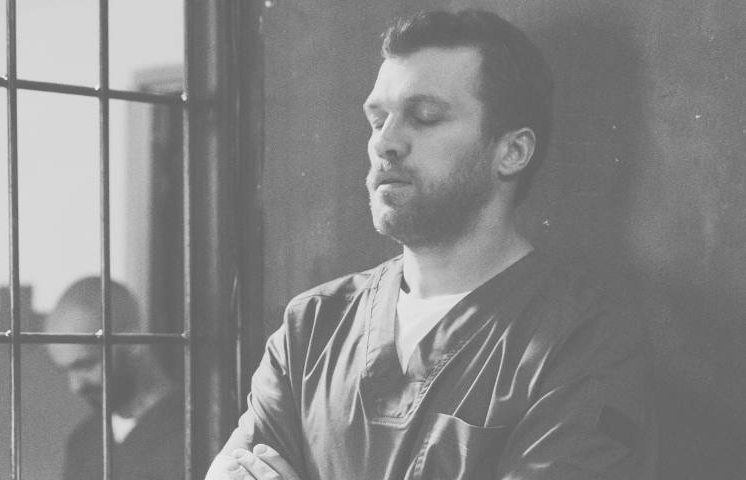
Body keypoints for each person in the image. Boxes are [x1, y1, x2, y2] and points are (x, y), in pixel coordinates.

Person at [208, 9, 656, 480]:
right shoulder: (312, 328)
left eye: (424, 118)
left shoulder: (583, 344)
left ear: (511, 152)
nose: (385, 143)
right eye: (377, 120)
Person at [45, 277, 183, 480]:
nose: (75, 386)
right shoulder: (85, 444)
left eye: (86, 365)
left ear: (133, 342)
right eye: (66, 371)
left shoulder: (195, 430)